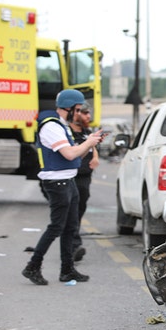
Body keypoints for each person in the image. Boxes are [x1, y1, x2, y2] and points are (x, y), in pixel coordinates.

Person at [21, 89, 104, 285]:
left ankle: (67, 270)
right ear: (70, 108)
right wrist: (89, 142)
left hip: (68, 180)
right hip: (56, 183)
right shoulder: (51, 126)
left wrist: (90, 143)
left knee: (70, 227)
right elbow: (68, 153)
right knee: (56, 227)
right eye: (78, 109)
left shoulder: (62, 125)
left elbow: (75, 157)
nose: (80, 113)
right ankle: (32, 266)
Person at [68, 105, 100, 262]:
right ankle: (73, 245)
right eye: (85, 113)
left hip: (85, 175)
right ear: (76, 114)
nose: (88, 116)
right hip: (70, 175)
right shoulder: (66, 132)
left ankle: (72, 242)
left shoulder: (87, 133)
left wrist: (95, 157)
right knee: (71, 211)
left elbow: (92, 146)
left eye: (89, 113)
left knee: (80, 209)